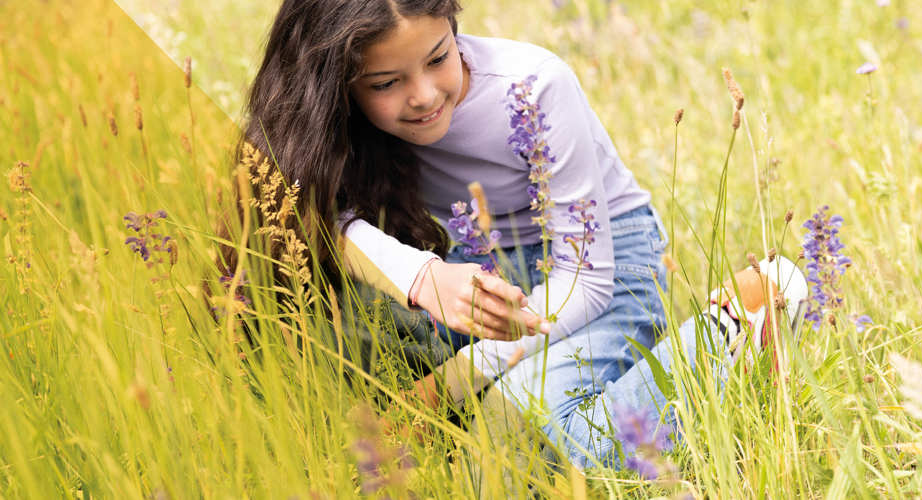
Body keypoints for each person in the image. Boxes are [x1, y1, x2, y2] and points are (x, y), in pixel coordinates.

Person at [237, 0, 808, 470]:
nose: (425, 95)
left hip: (595, 270)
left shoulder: (534, 85)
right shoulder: (331, 115)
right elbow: (309, 217)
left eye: (439, 58)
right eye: (387, 82)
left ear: (453, 29)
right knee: (334, 361)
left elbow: (585, 280)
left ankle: (728, 332)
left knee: (515, 438)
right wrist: (422, 276)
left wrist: (446, 387)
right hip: (469, 263)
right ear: (339, 84)